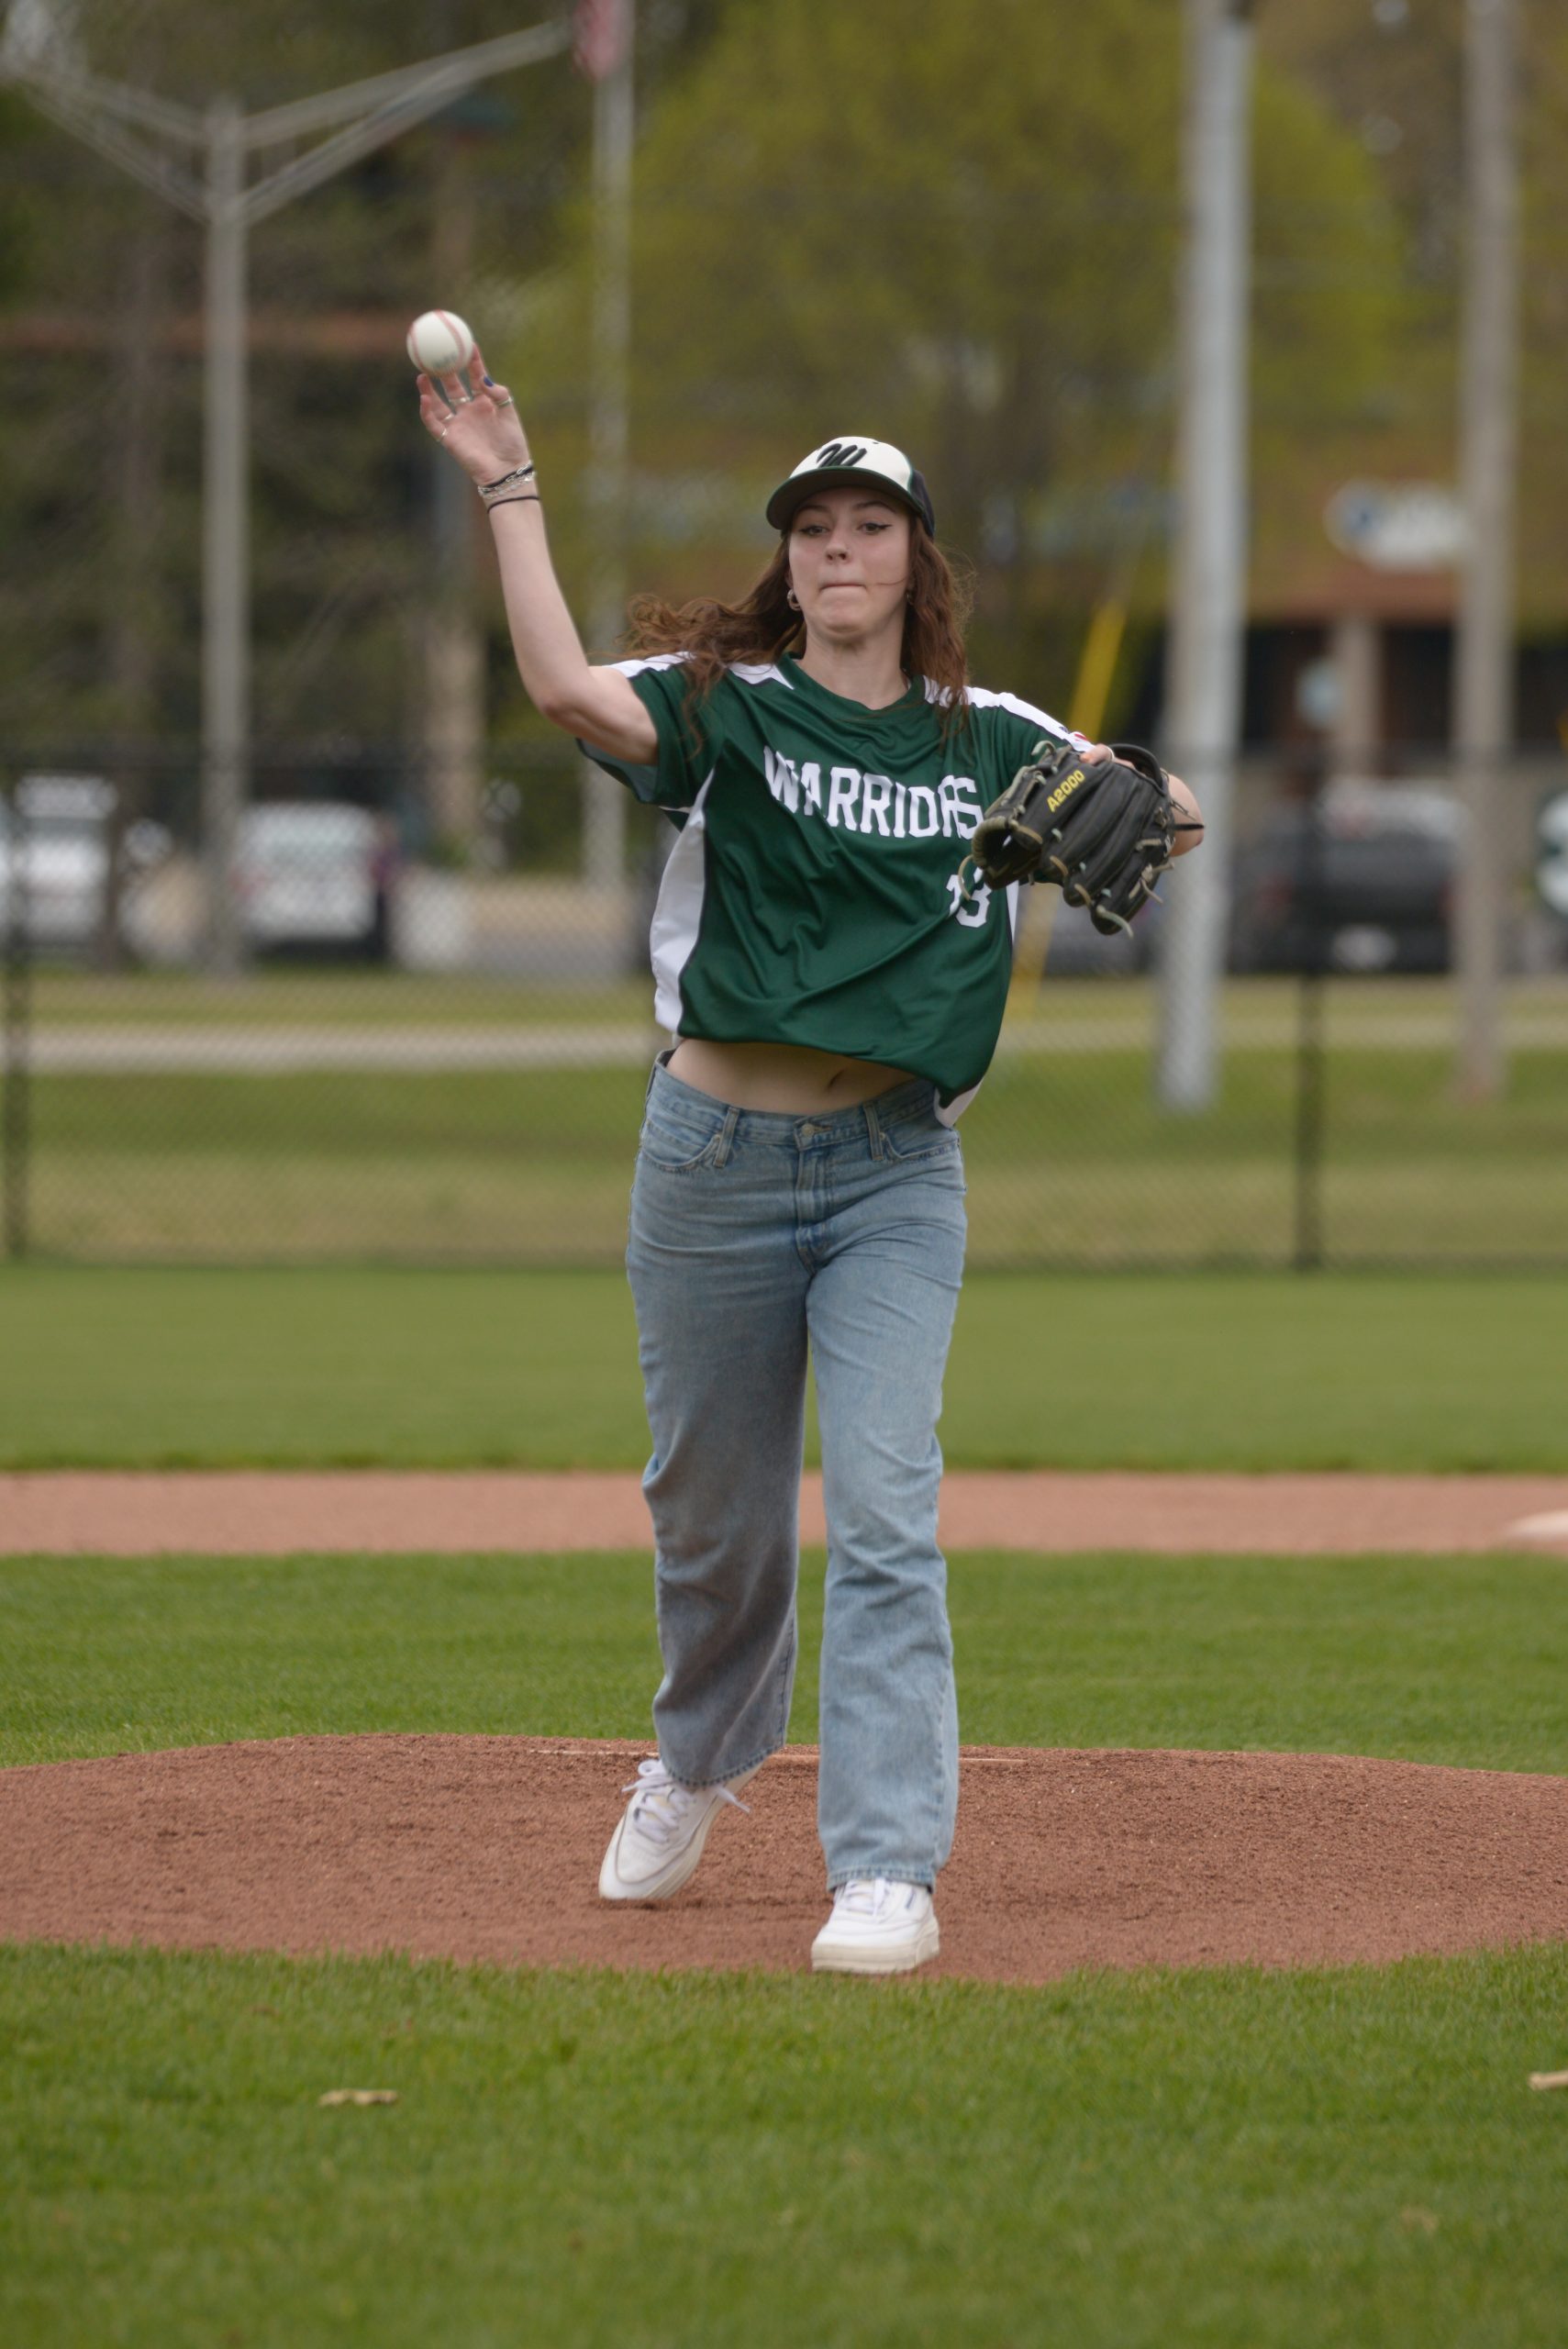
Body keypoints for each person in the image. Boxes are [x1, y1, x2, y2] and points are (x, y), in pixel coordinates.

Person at [417, 353, 1203, 1975]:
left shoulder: (984, 736)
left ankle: (888, 1867)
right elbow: (565, 689)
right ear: (788, 561)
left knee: (891, 1512)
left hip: (893, 1175)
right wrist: (508, 480)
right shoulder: (730, 709)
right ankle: (699, 1762)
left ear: (917, 562)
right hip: (707, 1158)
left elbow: (1167, 807)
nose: (840, 552)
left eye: (871, 527)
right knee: (717, 1529)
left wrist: (1114, 804)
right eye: (815, 529)